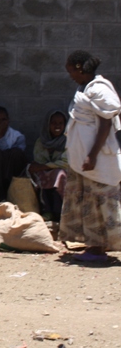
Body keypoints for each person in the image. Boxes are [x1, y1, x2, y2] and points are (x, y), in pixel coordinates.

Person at [59, 51, 121, 262]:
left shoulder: (99, 89)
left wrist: (92, 155)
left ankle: (99, 248)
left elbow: (105, 123)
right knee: (87, 202)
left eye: (71, 71)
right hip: (83, 160)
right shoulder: (84, 88)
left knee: (101, 201)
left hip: (98, 160)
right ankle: (94, 246)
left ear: (79, 67)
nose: (70, 76)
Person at [29, 110, 68, 221]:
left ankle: (60, 211)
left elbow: (66, 162)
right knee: (39, 174)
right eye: (54, 123)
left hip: (65, 172)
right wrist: (45, 167)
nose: (57, 126)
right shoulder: (41, 142)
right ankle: (47, 210)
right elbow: (38, 160)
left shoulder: (68, 141)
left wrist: (45, 167)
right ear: (48, 124)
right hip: (46, 172)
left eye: (60, 123)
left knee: (59, 175)